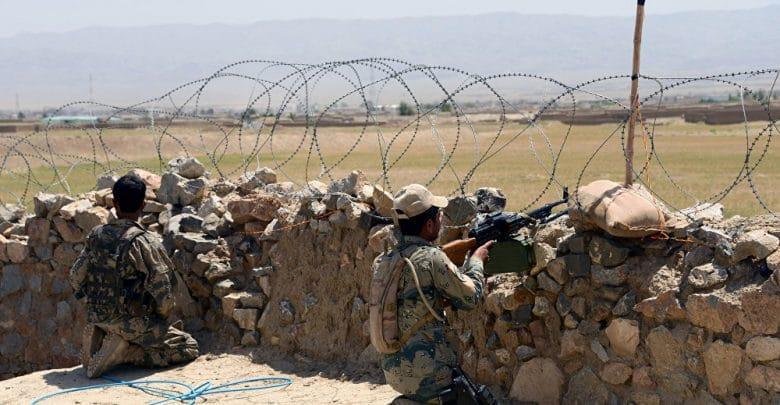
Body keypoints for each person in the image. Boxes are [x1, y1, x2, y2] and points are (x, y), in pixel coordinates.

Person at [69, 174, 199, 378]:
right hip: (132, 322)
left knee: (132, 328)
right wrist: (159, 319)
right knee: (188, 346)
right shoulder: (144, 242)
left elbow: (75, 277)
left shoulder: (96, 235)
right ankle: (127, 353)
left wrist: (91, 302)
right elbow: (164, 293)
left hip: (97, 316)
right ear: (143, 205)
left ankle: (103, 335)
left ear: (114, 203)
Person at [379, 184, 493, 403]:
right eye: (439, 216)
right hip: (430, 374)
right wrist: (477, 261)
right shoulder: (431, 258)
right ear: (429, 224)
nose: (442, 219)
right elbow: (470, 298)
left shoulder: (385, 261)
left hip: (394, 370)